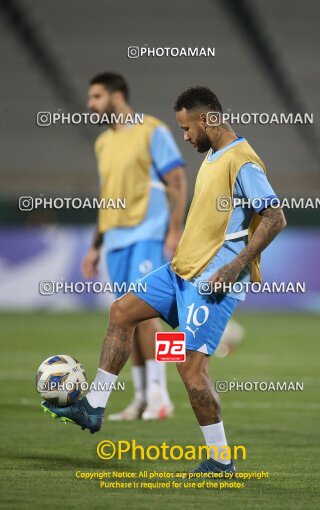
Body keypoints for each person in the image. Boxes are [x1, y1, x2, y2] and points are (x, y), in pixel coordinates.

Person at [42, 86, 286, 475]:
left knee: (191, 370)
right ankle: (94, 408)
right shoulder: (213, 155)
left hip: (211, 281)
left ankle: (221, 460)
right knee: (122, 311)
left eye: (188, 128)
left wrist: (234, 266)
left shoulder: (243, 161)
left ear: (208, 119)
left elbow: (275, 217)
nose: (185, 136)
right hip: (179, 271)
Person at [82, 72, 187, 420]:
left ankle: (162, 395)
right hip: (115, 241)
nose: (90, 105)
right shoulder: (102, 143)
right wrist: (95, 245)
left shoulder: (151, 130)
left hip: (147, 234)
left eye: (96, 97)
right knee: (125, 317)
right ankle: (142, 398)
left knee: (147, 315)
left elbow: (177, 180)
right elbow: (106, 197)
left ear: (118, 95)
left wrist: (174, 231)